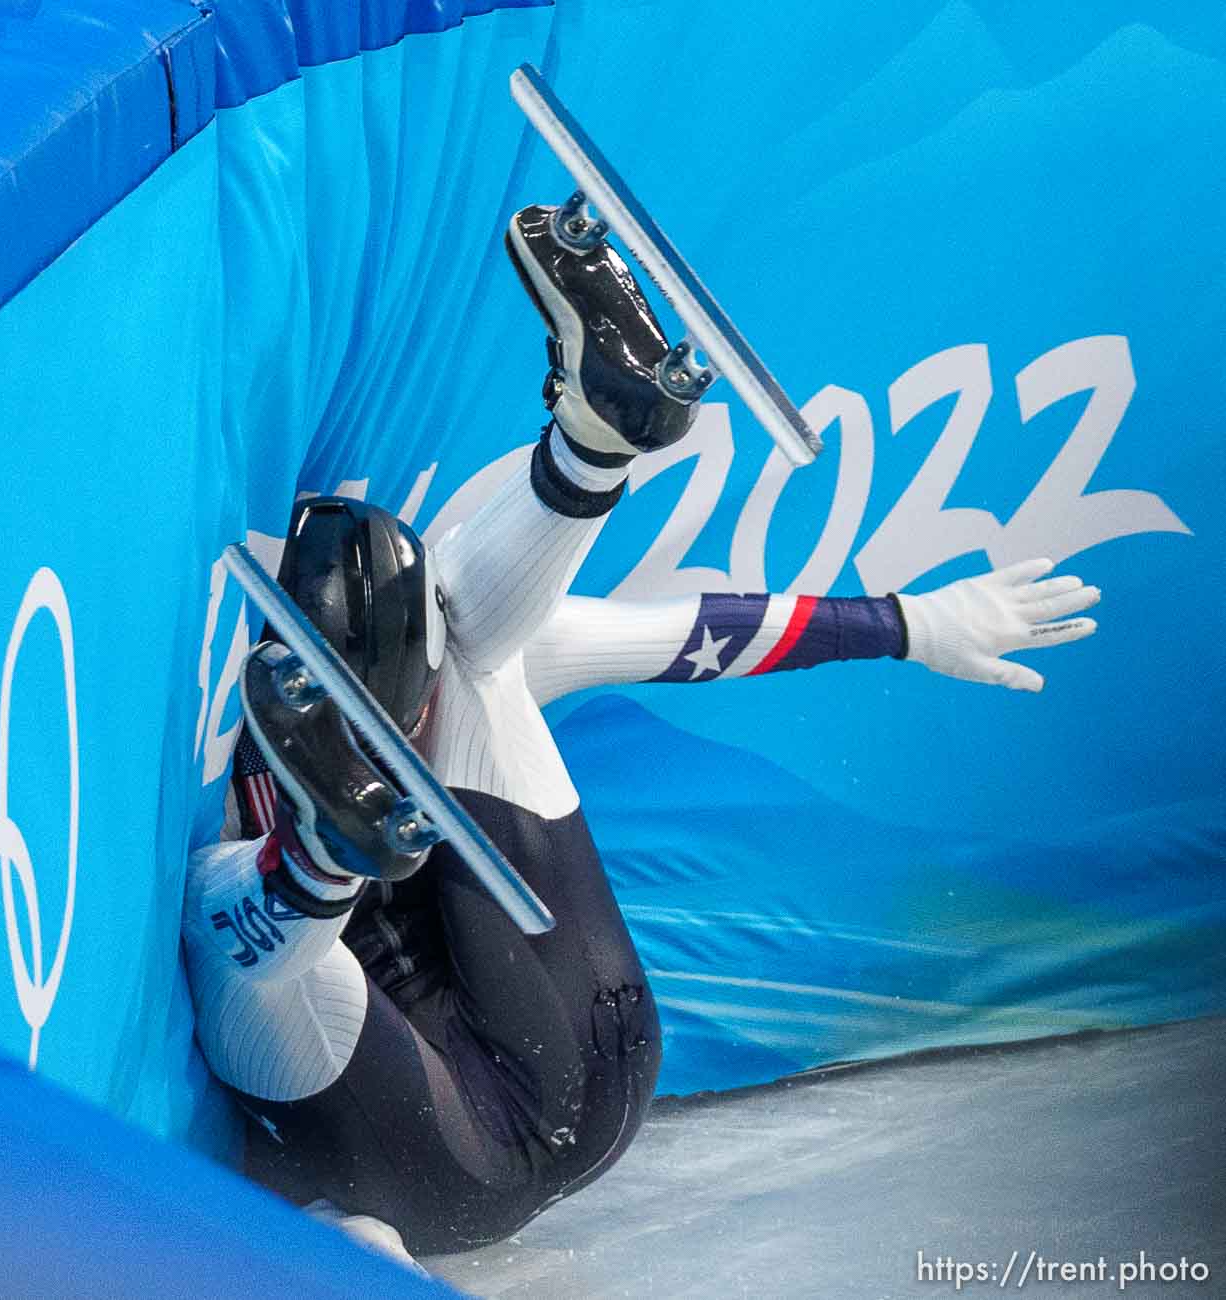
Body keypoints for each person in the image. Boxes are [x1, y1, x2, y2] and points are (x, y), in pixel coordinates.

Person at [182, 200, 1101, 1264]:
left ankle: (329, 857)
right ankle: (589, 451)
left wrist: (912, 621)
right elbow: (693, 636)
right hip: (555, 1085)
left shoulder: (434, 668)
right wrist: (899, 624)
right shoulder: (431, 677)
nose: (420, 713)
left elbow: (686, 636)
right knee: (263, 898)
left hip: (487, 1117)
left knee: (264, 886)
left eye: (406, 706)